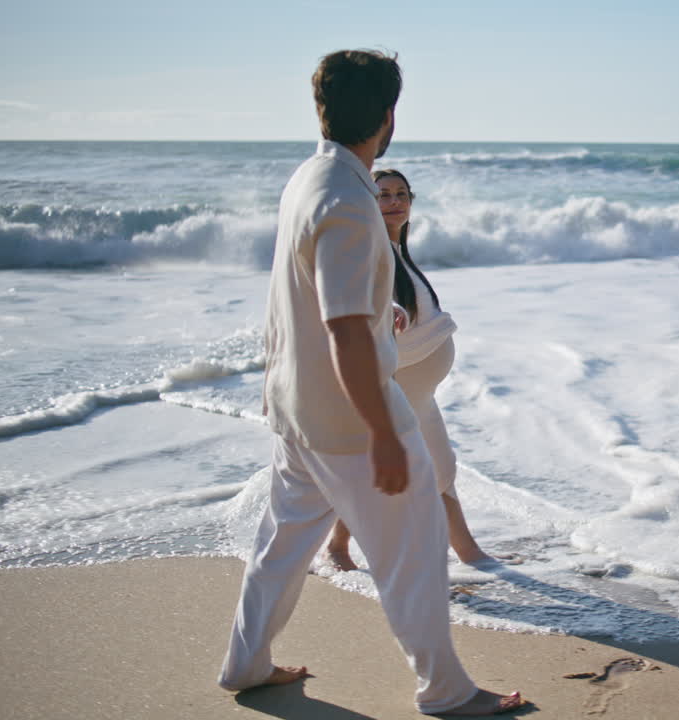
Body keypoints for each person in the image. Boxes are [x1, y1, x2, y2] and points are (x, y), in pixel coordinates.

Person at [217, 49, 523, 716]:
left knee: (281, 545)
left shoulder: (309, 178)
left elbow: (315, 299)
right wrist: (384, 431)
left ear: (320, 107)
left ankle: (245, 663)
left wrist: (374, 313)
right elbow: (345, 332)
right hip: (352, 420)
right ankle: (446, 692)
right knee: (412, 554)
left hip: (298, 408)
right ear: (388, 117)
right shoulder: (349, 201)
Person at [324, 168, 503, 570]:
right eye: (383, 195)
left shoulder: (396, 249)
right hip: (397, 386)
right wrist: (383, 308)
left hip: (420, 392)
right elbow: (345, 297)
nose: (395, 202)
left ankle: (469, 552)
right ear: (366, 203)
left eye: (402, 194)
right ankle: (338, 547)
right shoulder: (368, 250)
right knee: (375, 474)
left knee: (441, 470)